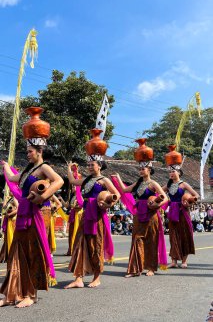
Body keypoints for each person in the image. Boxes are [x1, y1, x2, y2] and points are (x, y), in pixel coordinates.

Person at [0, 106, 63, 308]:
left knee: (33, 253)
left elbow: (59, 181)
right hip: (22, 216)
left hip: (36, 214)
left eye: (29, 151)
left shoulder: (43, 167)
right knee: (17, 252)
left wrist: (43, 195)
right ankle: (12, 293)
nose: (27, 154)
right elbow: (11, 178)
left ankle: (31, 294)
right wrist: (4, 167)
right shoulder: (27, 171)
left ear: (39, 151)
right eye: (27, 151)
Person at [64, 128, 120, 288]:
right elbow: (74, 182)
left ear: (99, 165)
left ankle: (97, 277)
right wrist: (69, 169)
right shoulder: (87, 179)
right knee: (80, 244)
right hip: (86, 214)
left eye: (92, 164)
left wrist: (107, 204)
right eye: (87, 164)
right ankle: (78, 278)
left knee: (96, 246)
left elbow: (117, 195)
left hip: (98, 216)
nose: (89, 166)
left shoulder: (104, 180)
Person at [112, 139, 168, 277]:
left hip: (151, 215)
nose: (141, 170)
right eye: (140, 168)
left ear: (149, 169)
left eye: (143, 168)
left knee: (151, 240)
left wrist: (157, 204)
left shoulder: (153, 183)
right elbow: (125, 191)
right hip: (139, 215)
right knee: (137, 239)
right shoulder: (137, 183)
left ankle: (151, 268)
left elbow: (165, 197)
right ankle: (135, 268)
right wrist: (118, 179)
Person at [163, 146, 199, 269]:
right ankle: (173, 261)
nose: (171, 173)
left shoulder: (183, 184)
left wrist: (188, 203)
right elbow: (157, 192)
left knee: (184, 235)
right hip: (172, 212)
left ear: (179, 172)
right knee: (173, 236)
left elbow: (196, 195)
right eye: (170, 171)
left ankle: (184, 260)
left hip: (183, 212)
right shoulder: (167, 185)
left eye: (173, 171)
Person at [0, 194, 18, 263]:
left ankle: (13, 255)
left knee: (12, 238)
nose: (9, 191)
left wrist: (10, 214)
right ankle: (9, 255)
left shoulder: (15, 199)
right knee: (7, 238)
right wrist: (5, 200)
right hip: (9, 220)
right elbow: (4, 208)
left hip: (13, 220)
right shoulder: (10, 199)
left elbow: (18, 209)